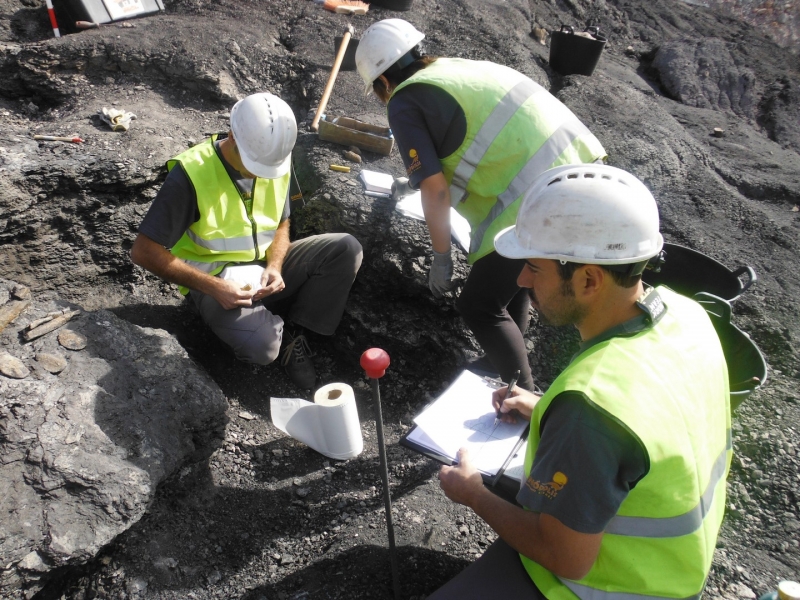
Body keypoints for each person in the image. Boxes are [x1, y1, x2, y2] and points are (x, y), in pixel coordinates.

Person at [433, 164, 731, 599]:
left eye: (535, 268)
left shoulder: (591, 409)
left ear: (589, 278)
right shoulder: (686, 313)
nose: (522, 280)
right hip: (674, 566)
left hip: (615, 585)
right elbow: (656, 415)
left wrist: (474, 494)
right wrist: (544, 409)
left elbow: (567, 558)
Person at [354, 19, 607, 392]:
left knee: (478, 305)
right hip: (580, 171)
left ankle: (522, 394)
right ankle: (500, 360)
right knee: (516, 274)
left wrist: (442, 257)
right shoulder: (453, 70)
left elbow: (435, 190)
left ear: (381, 82)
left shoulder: (405, 100)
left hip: (541, 194)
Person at [131, 93, 363, 389]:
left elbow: (282, 221)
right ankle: (249, 326)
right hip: (213, 280)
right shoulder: (191, 175)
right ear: (233, 136)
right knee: (262, 348)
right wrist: (213, 287)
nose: (260, 174)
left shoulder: (273, 156)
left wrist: (276, 265)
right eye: (254, 166)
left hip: (264, 268)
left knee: (345, 248)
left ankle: (294, 332)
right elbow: (143, 251)